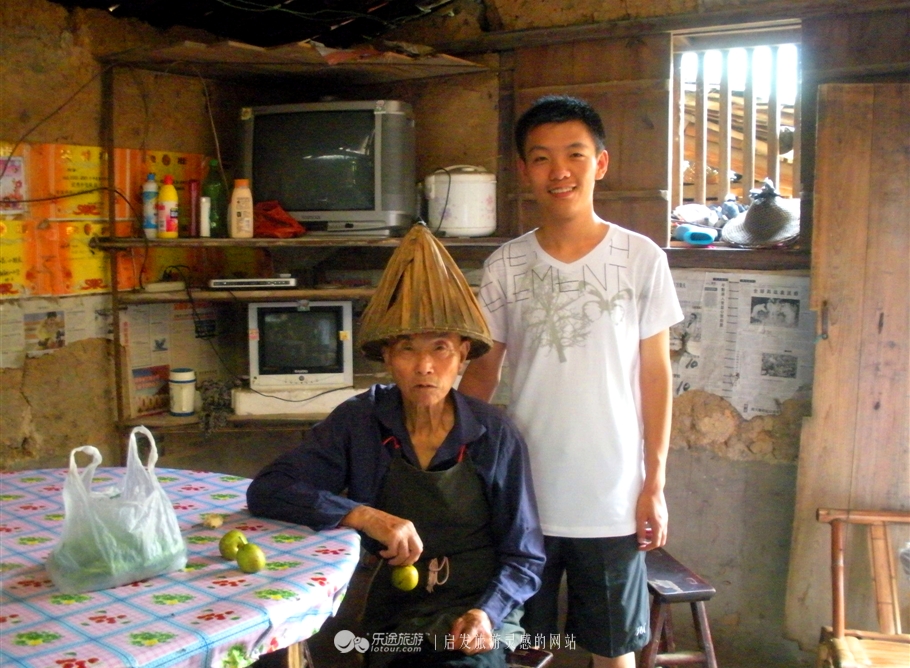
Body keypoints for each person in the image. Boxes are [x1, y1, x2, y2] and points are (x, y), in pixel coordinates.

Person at [247, 223, 545, 668]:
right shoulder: (360, 421)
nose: (425, 366)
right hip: (394, 618)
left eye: (441, 348)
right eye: (407, 349)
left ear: (463, 353)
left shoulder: (493, 433)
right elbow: (268, 489)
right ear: (387, 356)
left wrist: (487, 613)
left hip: (477, 613)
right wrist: (364, 515)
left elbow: (524, 555)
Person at [459, 96, 683, 668]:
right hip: (522, 495)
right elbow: (484, 370)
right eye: (541, 157)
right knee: (522, 648)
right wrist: (449, 461)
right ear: (524, 170)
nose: (559, 170)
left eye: (575, 154)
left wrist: (653, 482)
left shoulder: (641, 258)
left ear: (600, 163)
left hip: (611, 496)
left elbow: (656, 377)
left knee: (612, 650)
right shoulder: (506, 266)